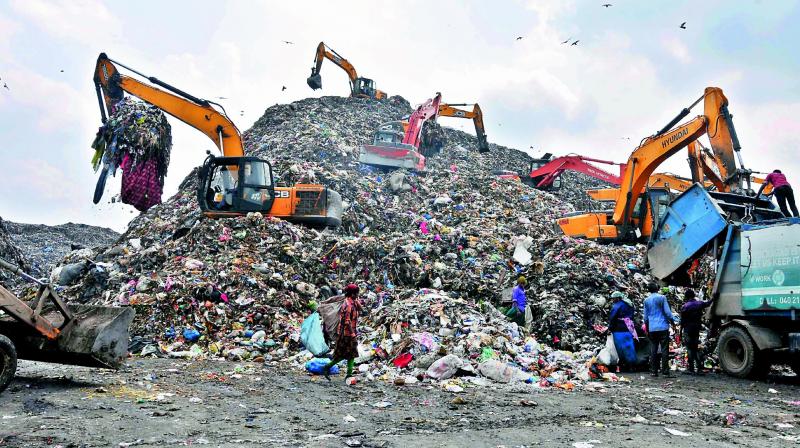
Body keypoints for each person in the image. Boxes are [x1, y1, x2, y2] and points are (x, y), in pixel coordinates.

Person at [323, 284, 363, 381]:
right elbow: (347, 321)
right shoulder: (348, 305)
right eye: (356, 293)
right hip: (346, 333)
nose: (358, 295)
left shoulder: (353, 302)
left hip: (349, 332)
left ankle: (345, 373)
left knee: (349, 354)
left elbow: (362, 310)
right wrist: (353, 334)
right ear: (352, 294)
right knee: (349, 354)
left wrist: (357, 303)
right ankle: (329, 368)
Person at [643, 282, 678, 377]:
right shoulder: (662, 298)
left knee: (653, 349)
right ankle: (665, 372)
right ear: (657, 289)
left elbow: (645, 318)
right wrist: (673, 323)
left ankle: (654, 371)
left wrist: (647, 328)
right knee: (664, 349)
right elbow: (668, 313)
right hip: (662, 327)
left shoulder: (646, 300)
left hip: (652, 328)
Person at [679, 289, 711, 375]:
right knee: (696, 348)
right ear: (693, 295)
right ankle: (699, 369)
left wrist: (680, 332)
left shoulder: (685, 307)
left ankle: (691, 368)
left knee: (689, 349)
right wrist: (714, 298)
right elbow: (708, 303)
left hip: (688, 330)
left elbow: (682, 321)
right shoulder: (699, 304)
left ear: (686, 297)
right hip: (696, 329)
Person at [608, 291, 638, 369]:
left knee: (621, 347)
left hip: (619, 328)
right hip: (629, 326)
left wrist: (610, 328)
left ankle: (624, 364)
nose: (612, 300)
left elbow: (612, 318)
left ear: (617, 298)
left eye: (613, 299)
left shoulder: (617, 306)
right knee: (630, 346)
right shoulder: (629, 304)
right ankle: (633, 364)